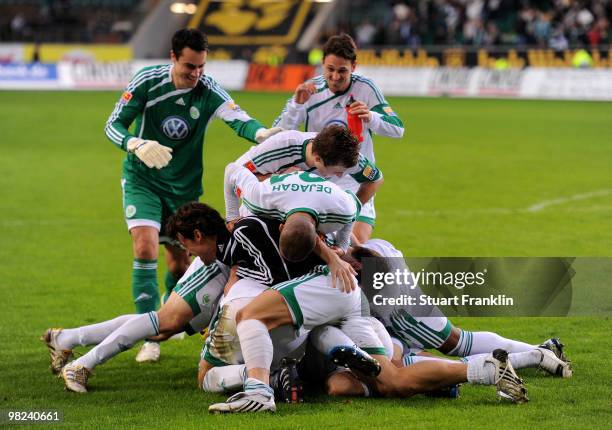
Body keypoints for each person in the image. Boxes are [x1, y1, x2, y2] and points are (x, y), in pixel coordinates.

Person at [103, 28, 281, 362]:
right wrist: (135, 143)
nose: (195, 74)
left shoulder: (207, 89)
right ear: (173, 58)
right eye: (189, 67)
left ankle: (166, 315)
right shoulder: (147, 82)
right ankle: (149, 337)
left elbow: (237, 118)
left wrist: (261, 132)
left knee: (179, 263)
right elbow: (112, 125)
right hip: (143, 178)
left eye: (201, 67)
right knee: (144, 245)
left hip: (184, 189)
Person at [42, 203, 231, 393]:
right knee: (166, 321)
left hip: (224, 262)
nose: (188, 253)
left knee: (163, 329)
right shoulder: (216, 256)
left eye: (185, 244)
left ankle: (66, 338)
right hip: (218, 267)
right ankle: (80, 366)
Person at [273, 33, 404, 244]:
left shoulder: (366, 88)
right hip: (319, 181)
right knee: (318, 246)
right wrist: (296, 106)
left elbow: (398, 129)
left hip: (357, 181)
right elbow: (277, 134)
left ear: (354, 66)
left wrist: (371, 117)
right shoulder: (310, 90)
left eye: (342, 70)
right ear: (322, 63)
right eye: (330, 69)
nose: (335, 76)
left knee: (356, 247)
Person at [235, 125, 384, 209]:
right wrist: (278, 180)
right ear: (318, 159)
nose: (340, 176)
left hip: (306, 210)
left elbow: (375, 180)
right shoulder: (280, 146)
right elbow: (234, 177)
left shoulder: (347, 155)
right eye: (337, 171)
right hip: (263, 208)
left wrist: (353, 208)